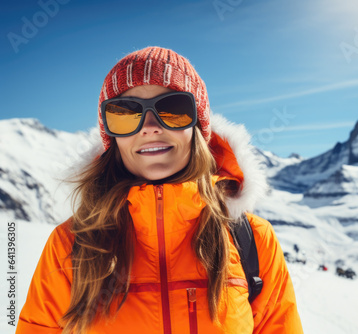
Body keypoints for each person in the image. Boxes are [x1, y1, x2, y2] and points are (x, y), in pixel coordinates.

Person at [16, 46, 303, 334]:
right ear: (110, 136)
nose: (150, 127)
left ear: (199, 127)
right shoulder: (72, 246)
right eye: (126, 114)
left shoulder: (252, 241)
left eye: (173, 109)